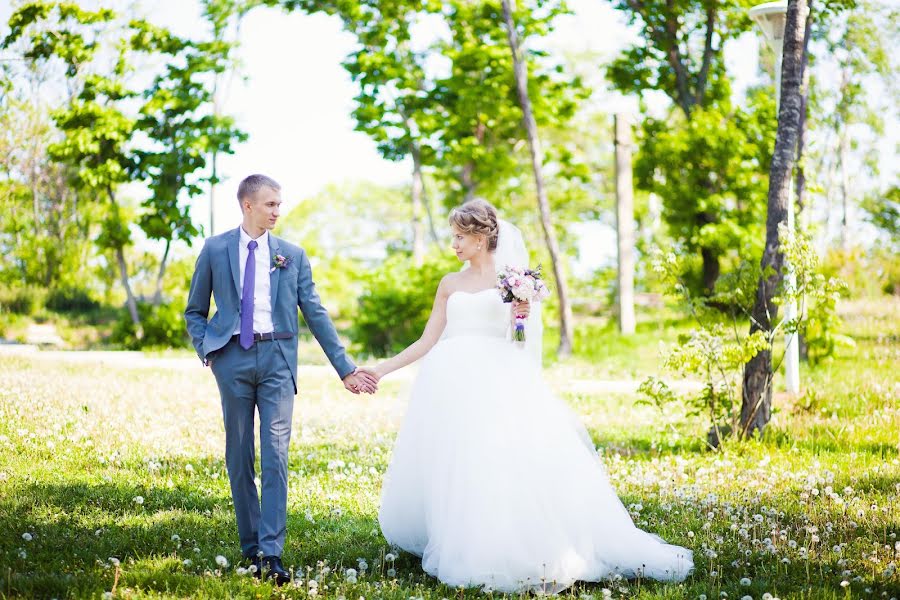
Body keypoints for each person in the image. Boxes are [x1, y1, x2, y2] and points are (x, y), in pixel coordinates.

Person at [369, 199, 693, 593]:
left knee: (499, 461)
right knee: (458, 464)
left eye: (459, 236)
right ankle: (465, 538)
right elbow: (426, 339)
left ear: (481, 236)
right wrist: (382, 369)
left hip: (496, 379)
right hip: (450, 383)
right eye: (453, 236)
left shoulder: (511, 280)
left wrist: (519, 318)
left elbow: (520, 344)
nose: (454, 244)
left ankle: (510, 544)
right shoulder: (449, 284)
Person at [184, 174, 378, 585]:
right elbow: (195, 310)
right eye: (270, 204)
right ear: (247, 205)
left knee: (275, 454)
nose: (277, 211)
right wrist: (210, 350)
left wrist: (345, 368)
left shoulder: (292, 255)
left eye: (279, 204)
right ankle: (250, 547)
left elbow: (316, 313)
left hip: (277, 359)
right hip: (232, 357)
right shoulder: (216, 249)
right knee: (239, 453)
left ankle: (271, 554)